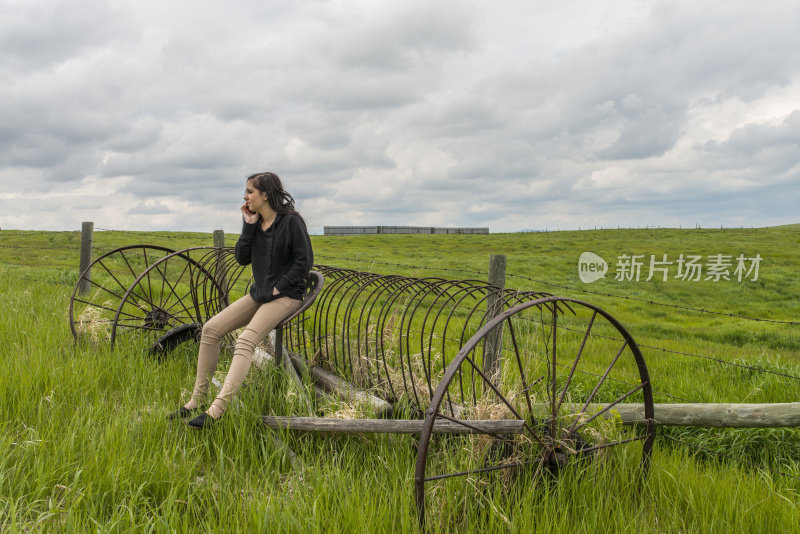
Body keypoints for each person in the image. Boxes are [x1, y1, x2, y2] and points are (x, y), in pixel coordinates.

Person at [168, 172, 313, 429]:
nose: (245, 197)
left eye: (249, 192)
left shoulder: (292, 222)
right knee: (211, 330)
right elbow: (241, 257)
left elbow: (304, 262)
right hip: (260, 294)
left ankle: (217, 410)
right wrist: (248, 224)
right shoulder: (255, 223)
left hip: (287, 295)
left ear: (265, 194)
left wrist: (279, 288)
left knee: (246, 340)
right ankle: (197, 400)